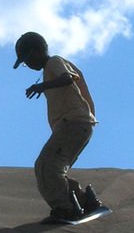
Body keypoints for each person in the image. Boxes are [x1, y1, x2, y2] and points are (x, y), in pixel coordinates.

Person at [13, 31, 104, 221]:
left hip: (74, 123)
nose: (28, 65)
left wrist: (41, 87)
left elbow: (67, 78)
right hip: (75, 125)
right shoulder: (47, 71)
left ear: (39, 51)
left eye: (28, 59)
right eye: (24, 63)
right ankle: (85, 201)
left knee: (46, 167)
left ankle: (66, 209)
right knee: (50, 169)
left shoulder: (54, 61)